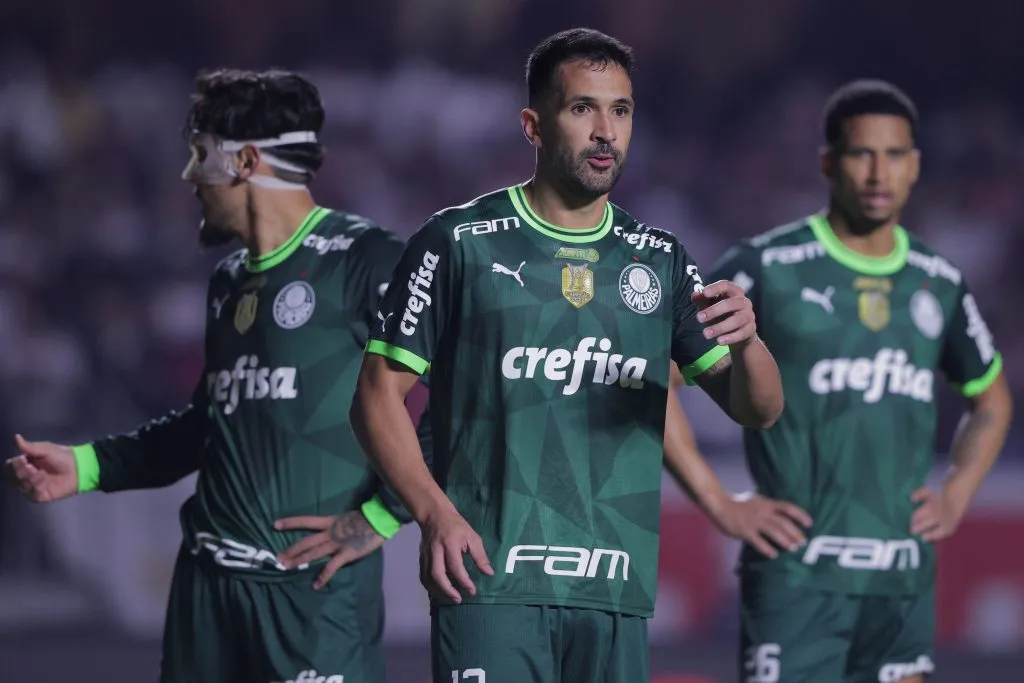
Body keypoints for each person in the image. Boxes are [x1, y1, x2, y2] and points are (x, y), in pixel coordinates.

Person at [349, 28, 785, 683]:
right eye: (582, 108)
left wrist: (749, 342)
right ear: (534, 124)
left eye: (621, 110)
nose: (606, 130)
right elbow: (378, 396)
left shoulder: (660, 259)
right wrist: (434, 513)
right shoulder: (459, 241)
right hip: (490, 586)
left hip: (613, 594)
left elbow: (760, 409)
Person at [4, 68, 423, 683]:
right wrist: (87, 467)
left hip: (310, 600)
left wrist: (383, 516)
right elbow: (209, 426)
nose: (189, 176)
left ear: (246, 160)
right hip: (207, 596)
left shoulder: (368, 259)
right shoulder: (230, 282)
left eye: (200, 154)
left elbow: (467, 399)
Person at [708, 79, 1013, 683]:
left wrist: (956, 493)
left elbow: (992, 404)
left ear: (916, 166)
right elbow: (660, 378)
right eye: (861, 153)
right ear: (828, 161)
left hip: (898, 581)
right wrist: (721, 504)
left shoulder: (937, 280)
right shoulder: (764, 265)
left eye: (895, 154)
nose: (879, 172)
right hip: (796, 577)